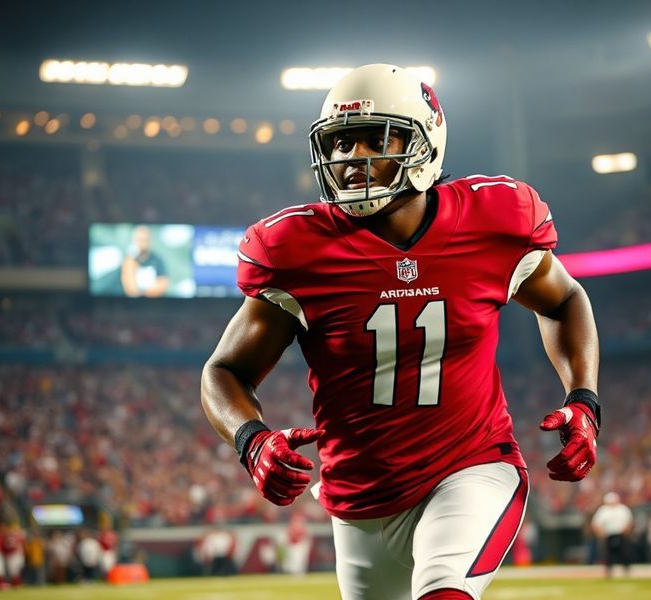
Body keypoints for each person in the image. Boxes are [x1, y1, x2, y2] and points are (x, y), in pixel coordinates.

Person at [201, 63, 600, 600]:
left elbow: (564, 299)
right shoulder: (298, 251)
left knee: (444, 592)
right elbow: (225, 370)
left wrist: (584, 399)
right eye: (341, 143)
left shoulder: (494, 221)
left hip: (472, 468)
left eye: (375, 139)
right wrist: (251, 441)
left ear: (426, 141)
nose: (352, 158)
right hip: (359, 501)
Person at [591, 492, 633, 578]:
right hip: (608, 535)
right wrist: (601, 534)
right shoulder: (603, 510)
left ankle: (626, 570)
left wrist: (626, 532)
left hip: (621, 535)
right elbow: (596, 524)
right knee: (607, 555)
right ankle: (608, 572)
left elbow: (629, 522)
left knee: (624, 553)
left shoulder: (622, 509)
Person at [120, 225, 169, 297]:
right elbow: (129, 287)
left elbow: (163, 284)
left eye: (145, 239)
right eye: (140, 239)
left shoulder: (157, 260)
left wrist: (146, 293)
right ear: (134, 240)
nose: (143, 243)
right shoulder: (129, 261)